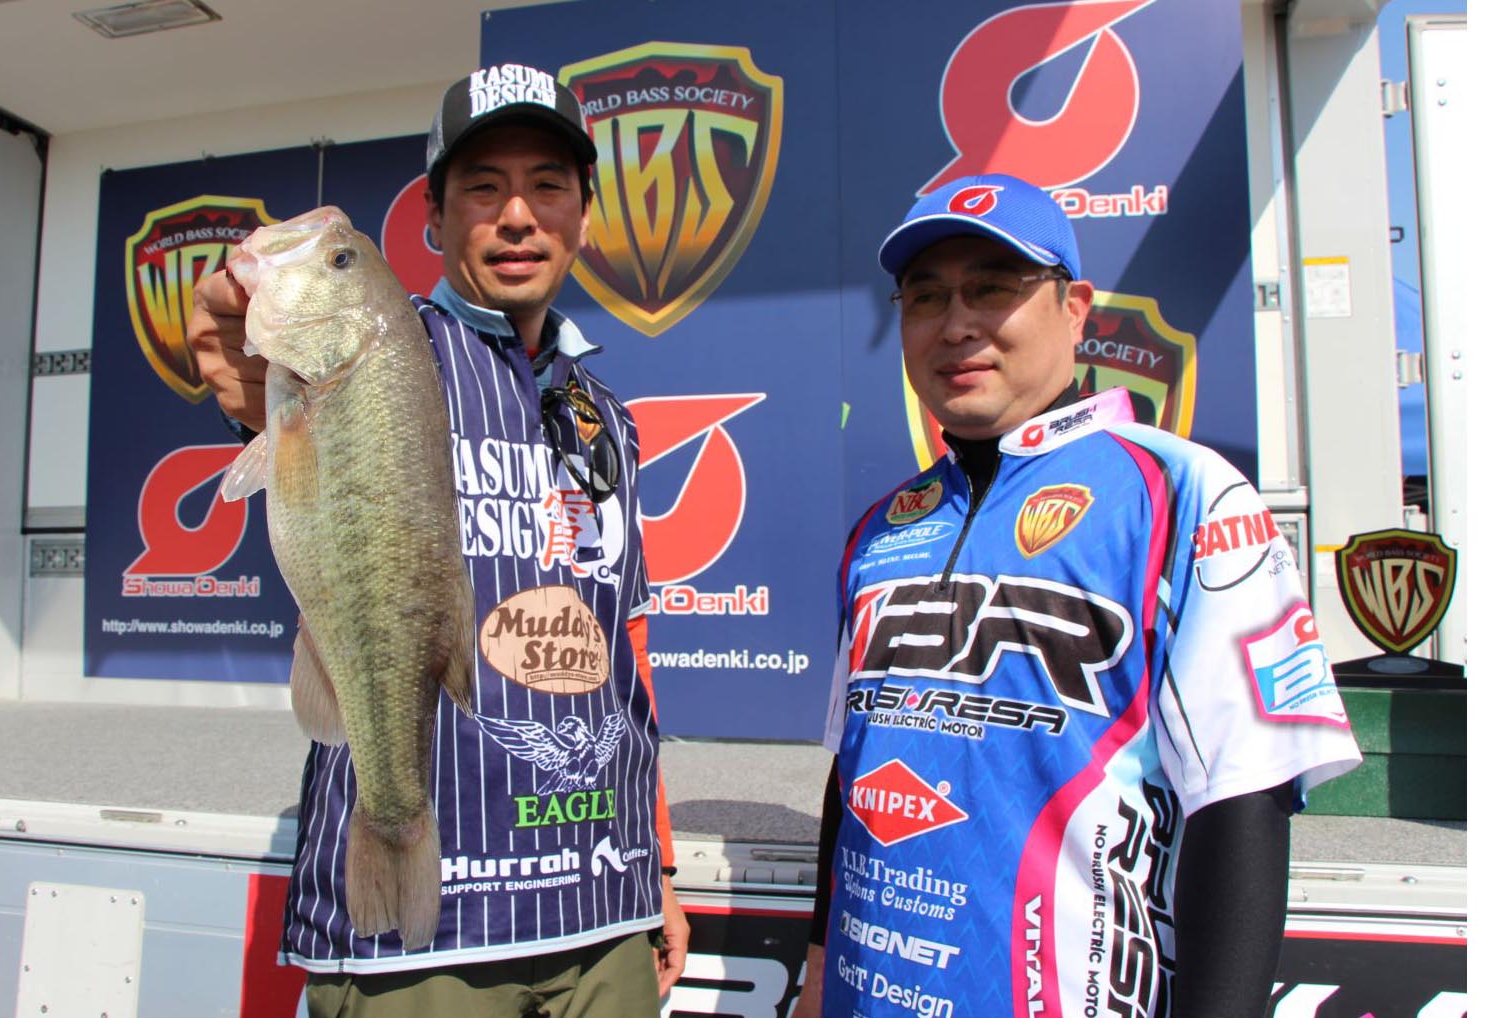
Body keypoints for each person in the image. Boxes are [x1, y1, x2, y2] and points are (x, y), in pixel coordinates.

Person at [796, 174, 1361, 1018]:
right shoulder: (880, 530)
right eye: (926, 296)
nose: (956, 324)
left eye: (993, 288)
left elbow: (1246, 799)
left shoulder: (1185, 493)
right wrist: (816, 970)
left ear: (1075, 310)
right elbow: (855, 770)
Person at [189, 62, 688, 1017]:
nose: (517, 216)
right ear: (433, 216)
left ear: (585, 217)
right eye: (483, 187)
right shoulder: (384, 351)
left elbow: (623, 649)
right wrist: (235, 314)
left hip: (603, 906)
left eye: (548, 185)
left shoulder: (608, 417)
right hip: (425, 940)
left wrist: (655, 864)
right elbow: (239, 367)